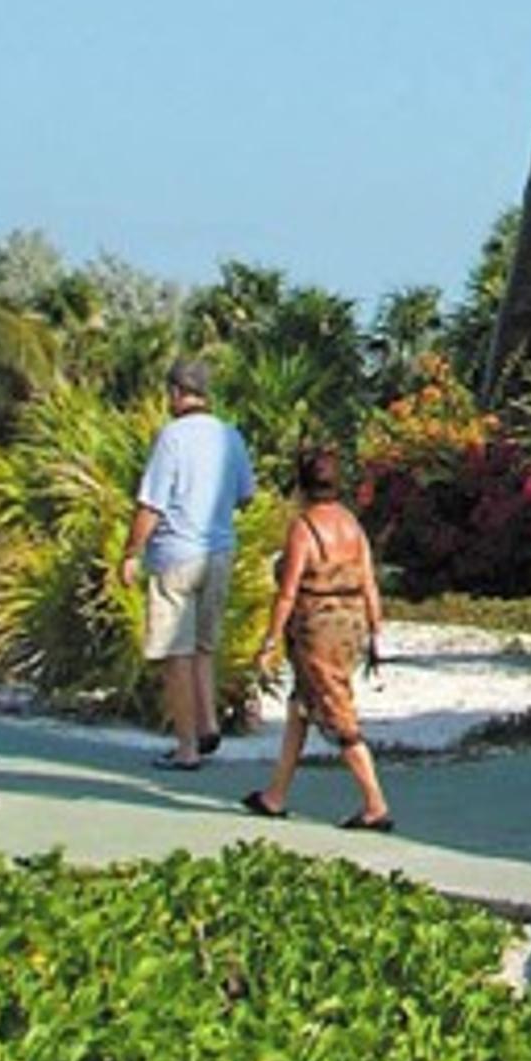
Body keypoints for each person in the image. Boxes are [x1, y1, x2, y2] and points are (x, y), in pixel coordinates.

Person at [243, 446, 395, 832]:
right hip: (352, 621)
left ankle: (375, 804)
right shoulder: (352, 525)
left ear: (302, 485)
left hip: (317, 627)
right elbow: (369, 581)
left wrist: (270, 639)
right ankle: (275, 795)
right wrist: (375, 628)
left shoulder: (304, 528)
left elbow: (289, 592)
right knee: (301, 705)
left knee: (336, 712)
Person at [119, 357, 257, 771]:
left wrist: (130, 553)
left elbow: (152, 504)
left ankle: (186, 748)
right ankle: (207, 723)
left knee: (174, 654)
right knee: (203, 646)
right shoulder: (229, 436)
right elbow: (246, 495)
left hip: (176, 555)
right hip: (218, 552)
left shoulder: (173, 437)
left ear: (176, 393)